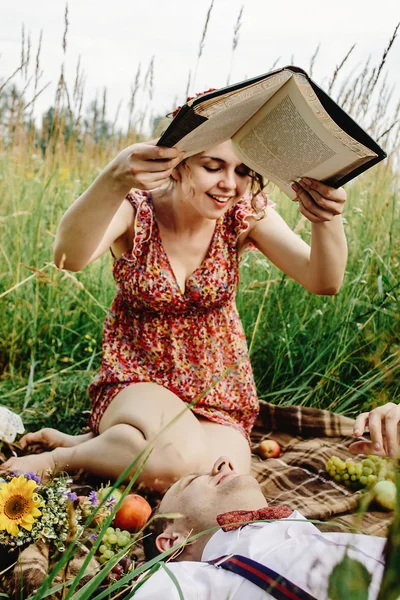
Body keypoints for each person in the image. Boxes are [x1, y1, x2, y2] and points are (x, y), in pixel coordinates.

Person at [0, 134, 349, 490]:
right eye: (212, 167)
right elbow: (67, 258)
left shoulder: (243, 213)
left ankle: (90, 443)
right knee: (175, 461)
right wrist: (114, 177)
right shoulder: (138, 211)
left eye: (242, 171)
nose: (229, 183)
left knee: (222, 480)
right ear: (178, 165)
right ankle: (60, 458)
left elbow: (324, 280)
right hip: (137, 378)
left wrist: (327, 218)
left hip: (216, 390)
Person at [130, 454, 388, 599]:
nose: (223, 462)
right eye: (194, 480)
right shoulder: (196, 583)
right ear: (174, 542)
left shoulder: (315, 535)